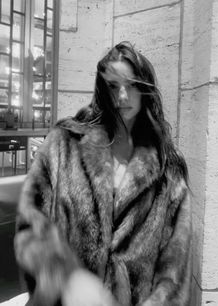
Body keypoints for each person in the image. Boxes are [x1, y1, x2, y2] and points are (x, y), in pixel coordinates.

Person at [14, 41, 192, 306]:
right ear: (102, 88)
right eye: (113, 85)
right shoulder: (64, 144)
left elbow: (174, 270)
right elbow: (29, 225)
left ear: (144, 88)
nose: (122, 96)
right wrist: (65, 277)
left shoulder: (168, 169)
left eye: (131, 85)